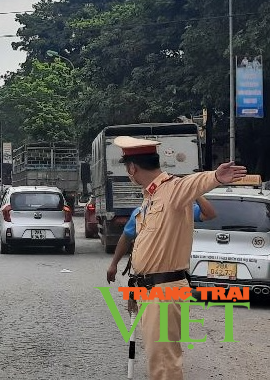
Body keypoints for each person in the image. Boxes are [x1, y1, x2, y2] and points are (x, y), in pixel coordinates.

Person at [105, 136, 246, 380]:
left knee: (164, 365)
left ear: (132, 168)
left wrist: (214, 177)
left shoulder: (172, 189)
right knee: (158, 359)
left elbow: (192, 184)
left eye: (128, 170)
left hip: (163, 289)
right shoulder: (150, 197)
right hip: (150, 289)